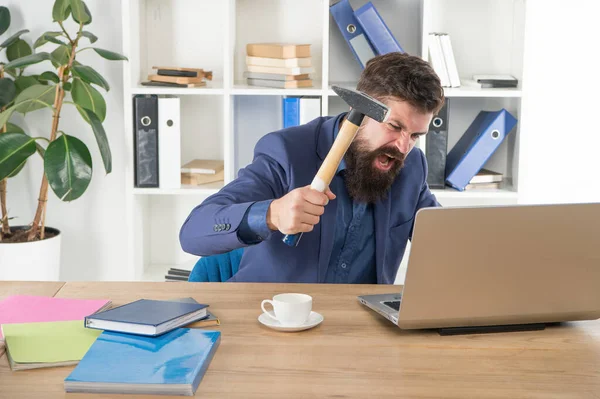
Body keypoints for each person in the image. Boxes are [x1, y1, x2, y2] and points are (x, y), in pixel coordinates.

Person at [180, 52, 445, 284]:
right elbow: (192, 233)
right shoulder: (285, 151)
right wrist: (272, 214)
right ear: (358, 108)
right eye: (395, 127)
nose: (402, 147)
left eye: (415, 135)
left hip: (361, 326)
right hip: (275, 317)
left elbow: (445, 239)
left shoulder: (411, 168)